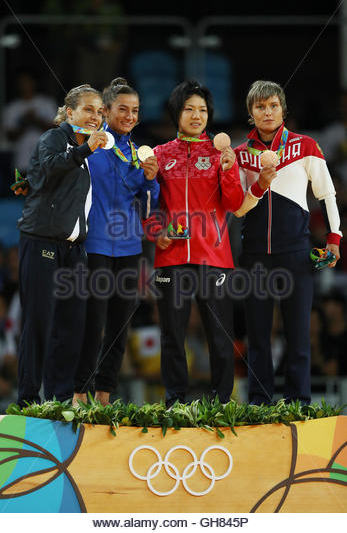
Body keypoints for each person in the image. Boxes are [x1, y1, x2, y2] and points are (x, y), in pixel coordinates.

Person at [144, 80, 274, 408]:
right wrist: (155, 229)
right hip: (170, 257)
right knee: (172, 335)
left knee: (219, 336)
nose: (197, 115)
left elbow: (232, 203)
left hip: (213, 256)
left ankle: (220, 403)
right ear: (177, 113)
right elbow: (148, 204)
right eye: (189, 109)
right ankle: (175, 400)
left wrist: (230, 169)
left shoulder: (219, 154)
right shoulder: (160, 155)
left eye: (202, 110)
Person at [234, 80, 342, 405]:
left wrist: (334, 238)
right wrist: (257, 185)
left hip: (296, 254)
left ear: (283, 110)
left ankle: (299, 403)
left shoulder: (306, 145)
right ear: (250, 114)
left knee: (298, 336)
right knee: (258, 338)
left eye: (273, 106)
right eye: (260, 107)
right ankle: (258, 403)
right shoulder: (240, 154)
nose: (267, 112)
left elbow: (327, 194)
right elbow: (237, 206)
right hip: (254, 255)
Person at [16, 84, 107, 407]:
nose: (95, 116)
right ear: (69, 113)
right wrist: (85, 151)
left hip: (73, 250)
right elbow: (47, 169)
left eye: (99, 111)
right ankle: (28, 400)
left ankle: (60, 399)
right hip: (43, 242)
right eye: (88, 109)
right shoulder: (56, 138)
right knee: (40, 322)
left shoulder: (88, 148)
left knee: (72, 326)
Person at [72, 78, 160, 407]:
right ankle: (79, 391)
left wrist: (151, 180)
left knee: (120, 324)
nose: (129, 115)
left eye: (135, 111)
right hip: (94, 243)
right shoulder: (88, 148)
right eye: (122, 109)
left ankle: (104, 393)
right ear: (106, 111)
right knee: (93, 321)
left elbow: (150, 205)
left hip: (129, 247)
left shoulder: (138, 154)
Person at [2, 70, 57, 175]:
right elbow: (10, 137)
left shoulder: (47, 103)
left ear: (34, 83)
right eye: (22, 83)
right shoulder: (12, 108)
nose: (25, 86)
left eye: (28, 82)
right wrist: (25, 122)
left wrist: (36, 120)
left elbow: (56, 132)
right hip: (22, 163)